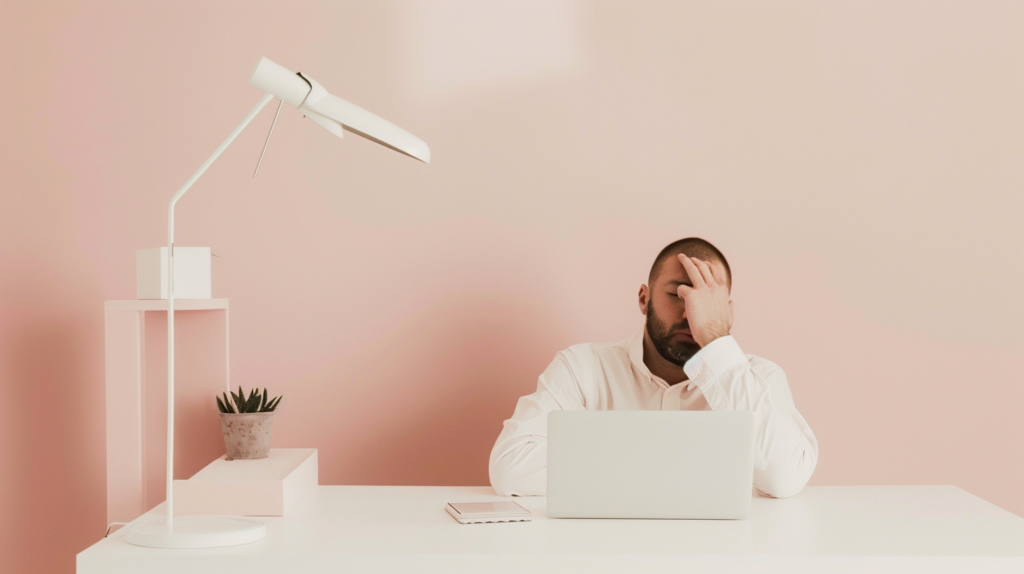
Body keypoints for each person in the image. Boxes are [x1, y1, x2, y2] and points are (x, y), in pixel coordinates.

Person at [489, 238, 818, 498]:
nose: (691, 312)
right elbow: (511, 466)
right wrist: (673, 466)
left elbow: (784, 476)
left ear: (727, 311)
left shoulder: (761, 378)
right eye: (678, 293)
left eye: (707, 301)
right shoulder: (582, 369)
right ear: (644, 299)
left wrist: (716, 339)